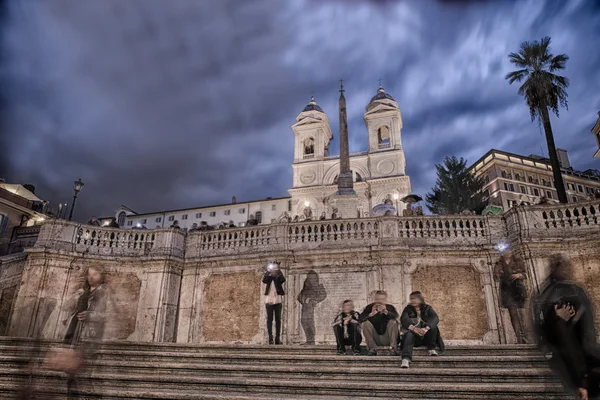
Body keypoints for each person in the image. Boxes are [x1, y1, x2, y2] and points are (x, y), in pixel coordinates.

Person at [533, 254, 600, 400]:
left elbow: (586, 335)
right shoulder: (551, 294)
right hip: (568, 366)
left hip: (575, 363)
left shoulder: (555, 292)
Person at [400, 291, 445, 368]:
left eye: (415, 298)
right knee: (409, 334)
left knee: (434, 327)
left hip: (426, 337)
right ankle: (406, 359)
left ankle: (431, 348)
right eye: (411, 299)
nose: (412, 300)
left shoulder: (428, 308)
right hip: (415, 338)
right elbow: (404, 319)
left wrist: (426, 329)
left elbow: (435, 318)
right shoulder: (407, 309)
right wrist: (414, 329)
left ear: (420, 299)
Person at [493, 246, 528, 344]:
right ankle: (519, 337)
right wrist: (498, 273)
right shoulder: (499, 263)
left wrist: (518, 275)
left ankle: (526, 335)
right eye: (505, 251)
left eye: (509, 250)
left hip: (518, 288)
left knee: (523, 313)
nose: (507, 252)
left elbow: (525, 274)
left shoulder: (518, 261)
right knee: (513, 314)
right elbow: (495, 277)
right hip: (507, 290)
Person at [358, 290, 399, 356]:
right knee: (365, 323)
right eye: (377, 299)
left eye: (382, 299)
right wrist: (370, 314)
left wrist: (386, 312)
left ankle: (393, 348)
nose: (380, 301)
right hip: (375, 338)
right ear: (375, 299)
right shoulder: (369, 307)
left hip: (387, 337)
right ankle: (372, 348)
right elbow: (360, 319)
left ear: (385, 300)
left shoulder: (390, 307)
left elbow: (396, 317)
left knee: (393, 322)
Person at [297, 271, 327, 344]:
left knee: (309, 322)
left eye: (313, 277)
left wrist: (312, 300)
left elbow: (323, 295)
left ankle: (311, 340)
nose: (311, 279)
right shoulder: (306, 287)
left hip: (311, 307)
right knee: (304, 322)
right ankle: (309, 340)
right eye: (310, 277)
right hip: (305, 307)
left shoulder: (319, 286)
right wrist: (304, 299)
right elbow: (299, 297)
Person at [263, 262, 286, 345]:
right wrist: (268, 272)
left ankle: (277, 338)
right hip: (269, 299)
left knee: (278, 320)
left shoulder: (278, 275)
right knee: (269, 319)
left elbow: (283, 280)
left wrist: (278, 272)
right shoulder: (268, 276)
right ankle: (270, 338)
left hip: (277, 299)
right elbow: (264, 280)